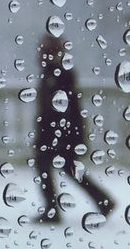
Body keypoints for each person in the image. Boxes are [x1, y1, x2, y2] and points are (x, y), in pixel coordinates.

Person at [34, 33, 114, 223]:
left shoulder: (60, 73)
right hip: (56, 132)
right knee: (67, 169)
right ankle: (103, 201)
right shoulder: (54, 72)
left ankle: (52, 209)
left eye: (43, 51)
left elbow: (65, 108)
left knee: (50, 166)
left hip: (59, 133)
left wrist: (60, 135)